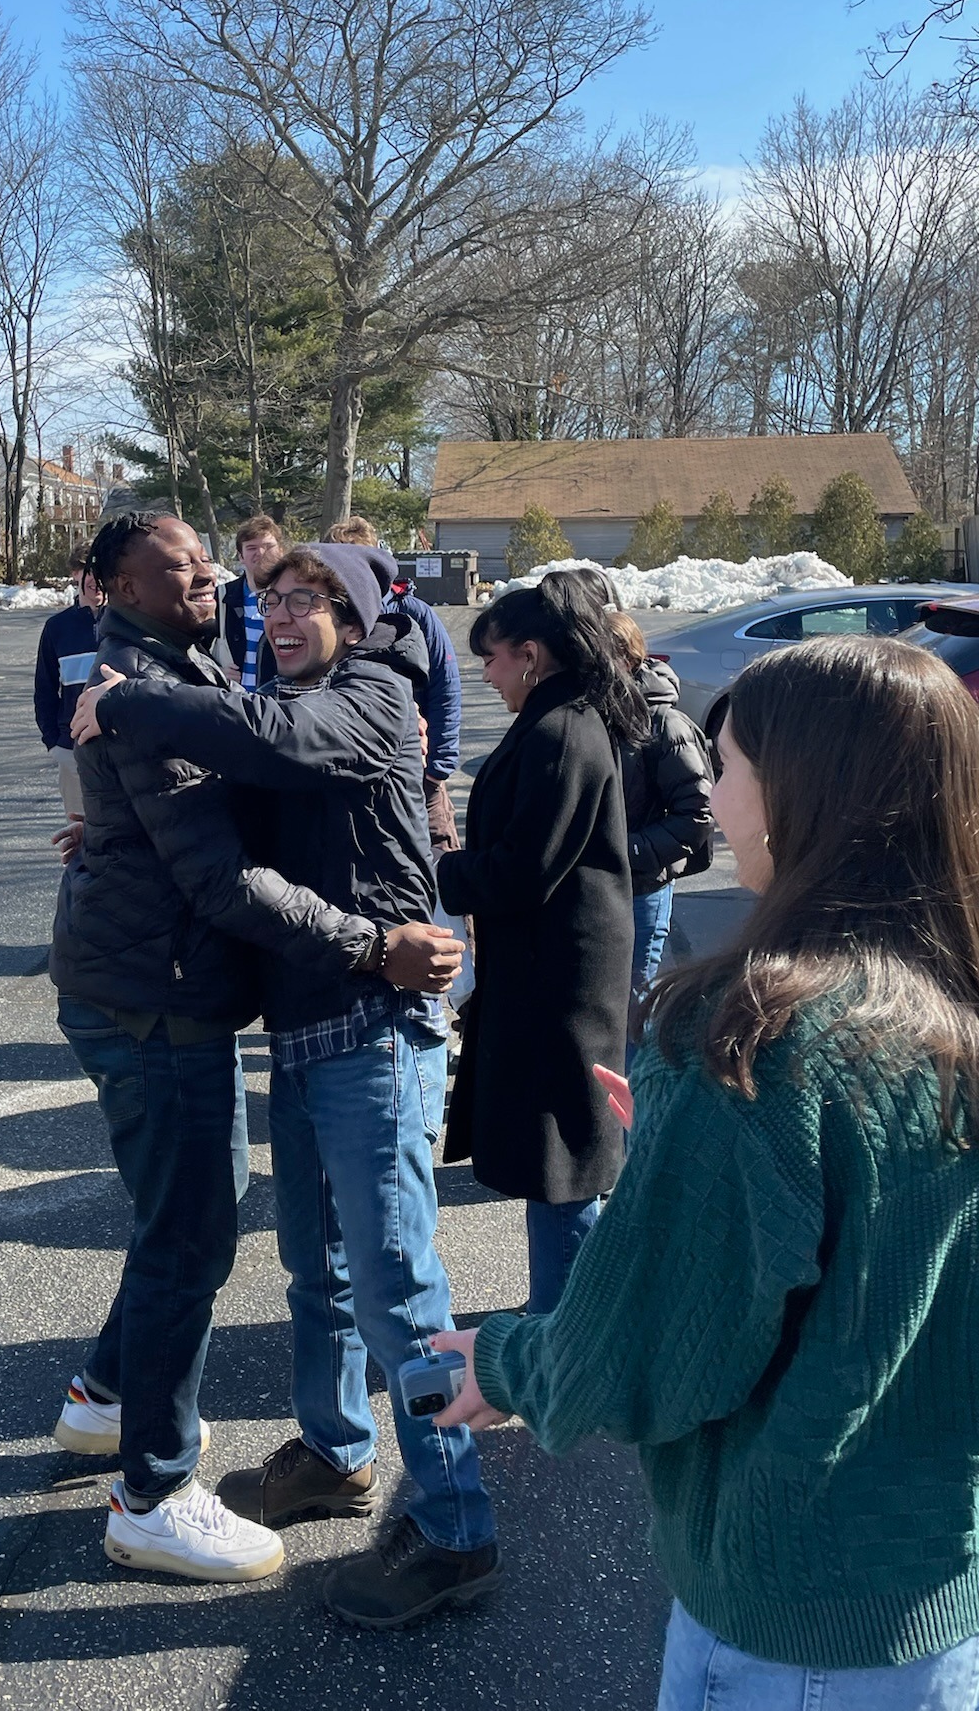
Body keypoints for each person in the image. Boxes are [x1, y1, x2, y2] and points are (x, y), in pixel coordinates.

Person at [432, 637, 979, 1704]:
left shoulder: (759, 1044)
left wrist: (506, 1363)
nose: (714, 799)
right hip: (941, 1601)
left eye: (728, 768)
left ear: (800, 792)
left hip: (792, 1619)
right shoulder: (950, 1004)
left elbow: (646, 1354)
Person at [74, 541, 494, 1628]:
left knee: (400, 1288)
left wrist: (124, 703)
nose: (284, 613)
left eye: (310, 597)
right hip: (306, 1028)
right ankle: (338, 1451)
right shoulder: (286, 697)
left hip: (376, 1024)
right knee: (320, 1270)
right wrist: (114, 834)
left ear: (355, 617)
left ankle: (456, 1525)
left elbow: (270, 739)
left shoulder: (370, 694)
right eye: (274, 597)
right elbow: (232, 814)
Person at [437, 573, 645, 1313]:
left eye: (491, 658)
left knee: (562, 1158)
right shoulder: (564, 717)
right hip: (556, 968)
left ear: (529, 654)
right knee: (558, 1152)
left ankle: (566, 1328)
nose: (486, 675)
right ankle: (571, 1317)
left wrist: (440, 871)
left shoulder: (561, 731)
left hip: (559, 981)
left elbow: (524, 870)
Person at [607, 611, 713, 1061]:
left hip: (643, 889)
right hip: (600, 887)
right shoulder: (594, 716)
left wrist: (625, 853)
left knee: (633, 1009)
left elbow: (697, 814)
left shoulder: (665, 725)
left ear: (627, 659)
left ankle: (637, 1100)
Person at [323, 517, 462, 851]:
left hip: (420, 772)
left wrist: (437, 769)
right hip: (347, 774)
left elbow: (446, 688)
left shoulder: (414, 613)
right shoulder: (322, 620)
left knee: (438, 858)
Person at [33, 541, 103, 819]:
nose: (96, 580)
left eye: (102, 571)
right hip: (73, 749)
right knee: (80, 830)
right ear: (75, 574)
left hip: (123, 750)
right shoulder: (57, 628)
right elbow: (45, 690)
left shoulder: (128, 621)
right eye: (88, 571)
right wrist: (55, 743)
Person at [215, 513, 285, 691]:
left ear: (281, 551)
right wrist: (214, 671)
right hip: (234, 700)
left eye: (268, 546)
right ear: (241, 556)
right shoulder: (221, 597)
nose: (260, 553)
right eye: (252, 547)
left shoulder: (294, 598)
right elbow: (194, 647)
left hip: (278, 700)